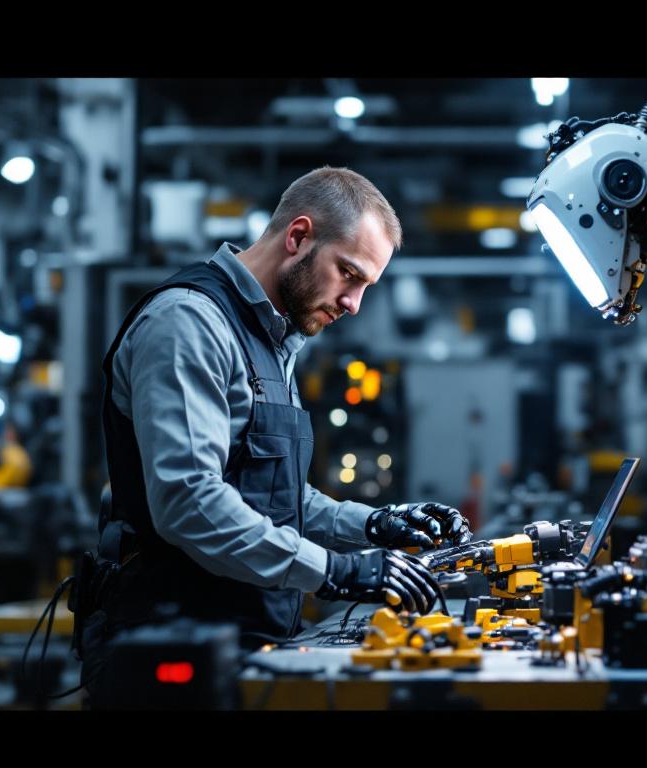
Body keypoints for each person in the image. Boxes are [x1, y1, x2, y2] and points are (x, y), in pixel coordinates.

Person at [79, 167, 472, 695]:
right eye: (349, 275)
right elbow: (188, 501)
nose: (354, 304)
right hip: (172, 653)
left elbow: (271, 497)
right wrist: (337, 570)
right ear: (298, 237)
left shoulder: (273, 342)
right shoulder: (189, 324)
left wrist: (374, 525)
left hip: (247, 640)